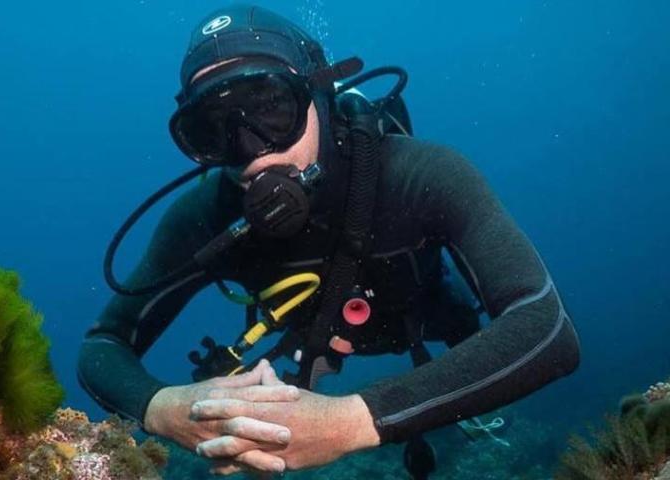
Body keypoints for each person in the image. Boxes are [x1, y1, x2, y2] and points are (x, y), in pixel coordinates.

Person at [77, 5, 580, 477]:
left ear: (318, 93)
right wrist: (163, 409)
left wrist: (349, 423)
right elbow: (103, 345)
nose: (252, 153)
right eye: (214, 131)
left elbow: (546, 328)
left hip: (421, 315)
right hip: (308, 337)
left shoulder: (420, 174)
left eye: (273, 107)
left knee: (456, 323)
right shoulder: (203, 217)